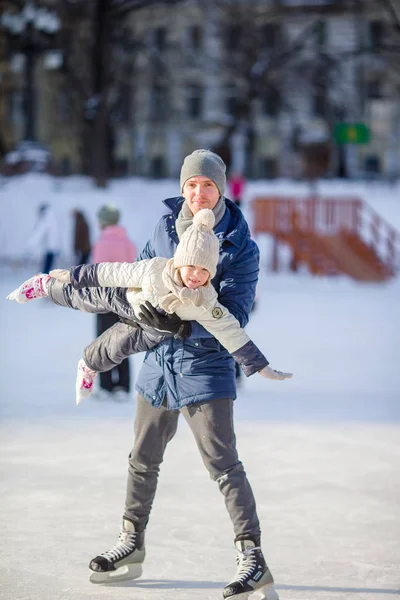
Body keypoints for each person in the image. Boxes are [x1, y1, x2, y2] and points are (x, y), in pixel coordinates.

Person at [8, 149, 284, 600]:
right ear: (183, 187)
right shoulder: (162, 226)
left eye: (208, 186)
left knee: (223, 464)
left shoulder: (240, 245)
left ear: (220, 190)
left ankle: (252, 556)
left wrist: (183, 322)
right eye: (191, 185)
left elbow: (234, 312)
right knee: (142, 459)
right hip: (157, 364)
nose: (198, 193)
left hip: (204, 367)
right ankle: (131, 541)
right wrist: (144, 311)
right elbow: (136, 277)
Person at [7, 209, 292, 407]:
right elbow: (112, 272)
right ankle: (45, 286)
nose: (195, 275)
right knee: (85, 297)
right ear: (179, 261)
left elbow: (230, 330)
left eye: (203, 270)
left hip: (154, 328)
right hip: (128, 298)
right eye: (190, 266)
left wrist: (259, 365)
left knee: (114, 349)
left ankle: (87, 365)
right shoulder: (154, 270)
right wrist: (74, 276)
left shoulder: (205, 301)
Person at [92, 204, 137, 400]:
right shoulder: (128, 242)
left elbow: (96, 275)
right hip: (126, 300)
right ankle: (123, 385)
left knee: (104, 342)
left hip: (106, 301)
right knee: (123, 342)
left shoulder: (102, 243)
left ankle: (106, 385)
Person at [25, 204, 60, 273]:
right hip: (53, 247)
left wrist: (30, 246)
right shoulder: (53, 218)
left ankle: (45, 281)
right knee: (49, 267)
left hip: (49, 248)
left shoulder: (46, 219)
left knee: (46, 269)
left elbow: (39, 233)